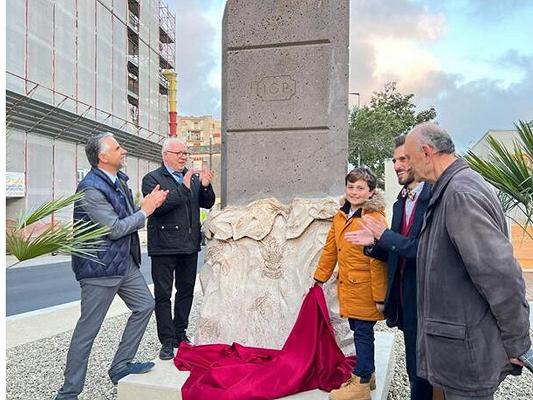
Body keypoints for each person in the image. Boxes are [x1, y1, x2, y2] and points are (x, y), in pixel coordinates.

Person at [403, 122, 531, 400]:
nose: (409, 168)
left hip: (468, 355)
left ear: (427, 152)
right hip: (460, 350)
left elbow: (500, 276)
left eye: (411, 160)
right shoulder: (451, 188)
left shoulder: (460, 194)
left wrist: (517, 342)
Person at [55, 132, 168, 400]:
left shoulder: (120, 181)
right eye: (118, 148)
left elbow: (125, 219)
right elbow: (115, 228)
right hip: (99, 269)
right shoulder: (90, 189)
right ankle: (68, 393)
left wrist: (142, 206)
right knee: (87, 331)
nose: (124, 151)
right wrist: (146, 210)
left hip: (124, 264)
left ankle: (120, 366)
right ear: (103, 157)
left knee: (144, 305)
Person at [345, 135, 433, 400]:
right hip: (407, 301)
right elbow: (395, 249)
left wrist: (384, 237)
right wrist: (374, 245)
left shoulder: (436, 197)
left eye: (403, 159)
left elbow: (426, 251)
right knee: (415, 370)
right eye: (395, 160)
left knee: (426, 372)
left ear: (422, 157)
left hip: (430, 300)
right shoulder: (400, 202)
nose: (396, 165)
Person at [313, 167, 388, 400]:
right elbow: (330, 250)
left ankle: (361, 384)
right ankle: (369, 373)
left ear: (371, 192)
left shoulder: (374, 218)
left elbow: (379, 261)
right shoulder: (340, 215)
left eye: (360, 188)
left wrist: (380, 297)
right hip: (348, 286)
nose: (354, 192)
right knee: (359, 331)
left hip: (366, 288)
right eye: (351, 187)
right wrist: (320, 277)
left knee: (363, 334)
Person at [142, 138, 216, 360]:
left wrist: (204, 186)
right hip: (164, 246)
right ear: (165, 155)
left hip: (189, 245)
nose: (183, 156)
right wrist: (184, 187)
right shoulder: (152, 179)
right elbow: (159, 207)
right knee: (163, 295)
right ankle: (166, 340)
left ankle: (180, 332)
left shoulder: (192, 178)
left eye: (186, 153)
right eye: (178, 153)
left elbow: (207, 203)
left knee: (186, 291)